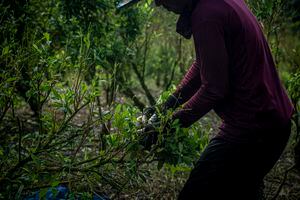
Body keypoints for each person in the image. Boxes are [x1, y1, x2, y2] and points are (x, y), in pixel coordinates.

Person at [145, 0, 294, 199]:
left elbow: (214, 89)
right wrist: (165, 107)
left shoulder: (207, 14)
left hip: (253, 130)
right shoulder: (216, 4)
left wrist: (167, 126)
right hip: (273, 124)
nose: (158, 3)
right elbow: (203, 66)